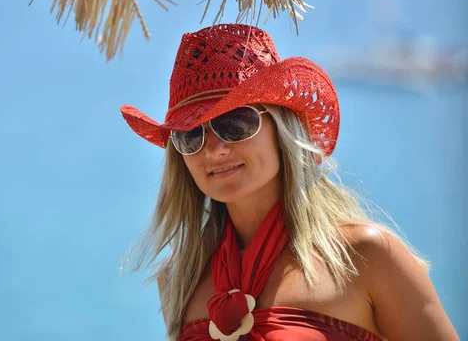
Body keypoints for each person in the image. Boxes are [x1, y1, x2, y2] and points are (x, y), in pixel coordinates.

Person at [120, 24, 459, 341]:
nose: (215, 149)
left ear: (282, 130)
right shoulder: (180, 279)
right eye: (191, 135)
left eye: (235, 123)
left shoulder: (366, 256)